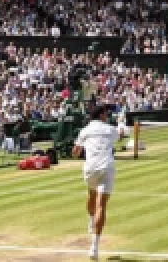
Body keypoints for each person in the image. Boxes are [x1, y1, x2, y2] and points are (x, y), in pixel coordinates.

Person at [73, 104, 119, 260]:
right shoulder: (110, 129)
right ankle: (94, 246)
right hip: (106, 168)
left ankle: (91, 220)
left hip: (90, 168)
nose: (107, 115)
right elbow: (119, 136)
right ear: (100, 115)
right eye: (105, 113)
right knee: (101, 205)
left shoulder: (84, 130)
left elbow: (75, 152)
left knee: (92, 195)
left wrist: (82, 150)